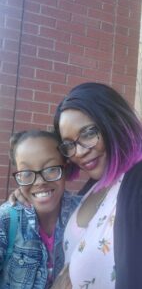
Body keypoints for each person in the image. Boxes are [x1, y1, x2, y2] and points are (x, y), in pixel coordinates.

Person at [50, 82, 142, 289]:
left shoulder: (137, 182)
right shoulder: (94, 186)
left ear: (115, 122)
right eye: (69, 144)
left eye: (89, 133)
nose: (79, 152)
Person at [0, 129, 81, 289]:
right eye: (27, 173)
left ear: (65, 169)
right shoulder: (6, 220)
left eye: (51, 169)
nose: (39, 182)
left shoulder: (85, 214)